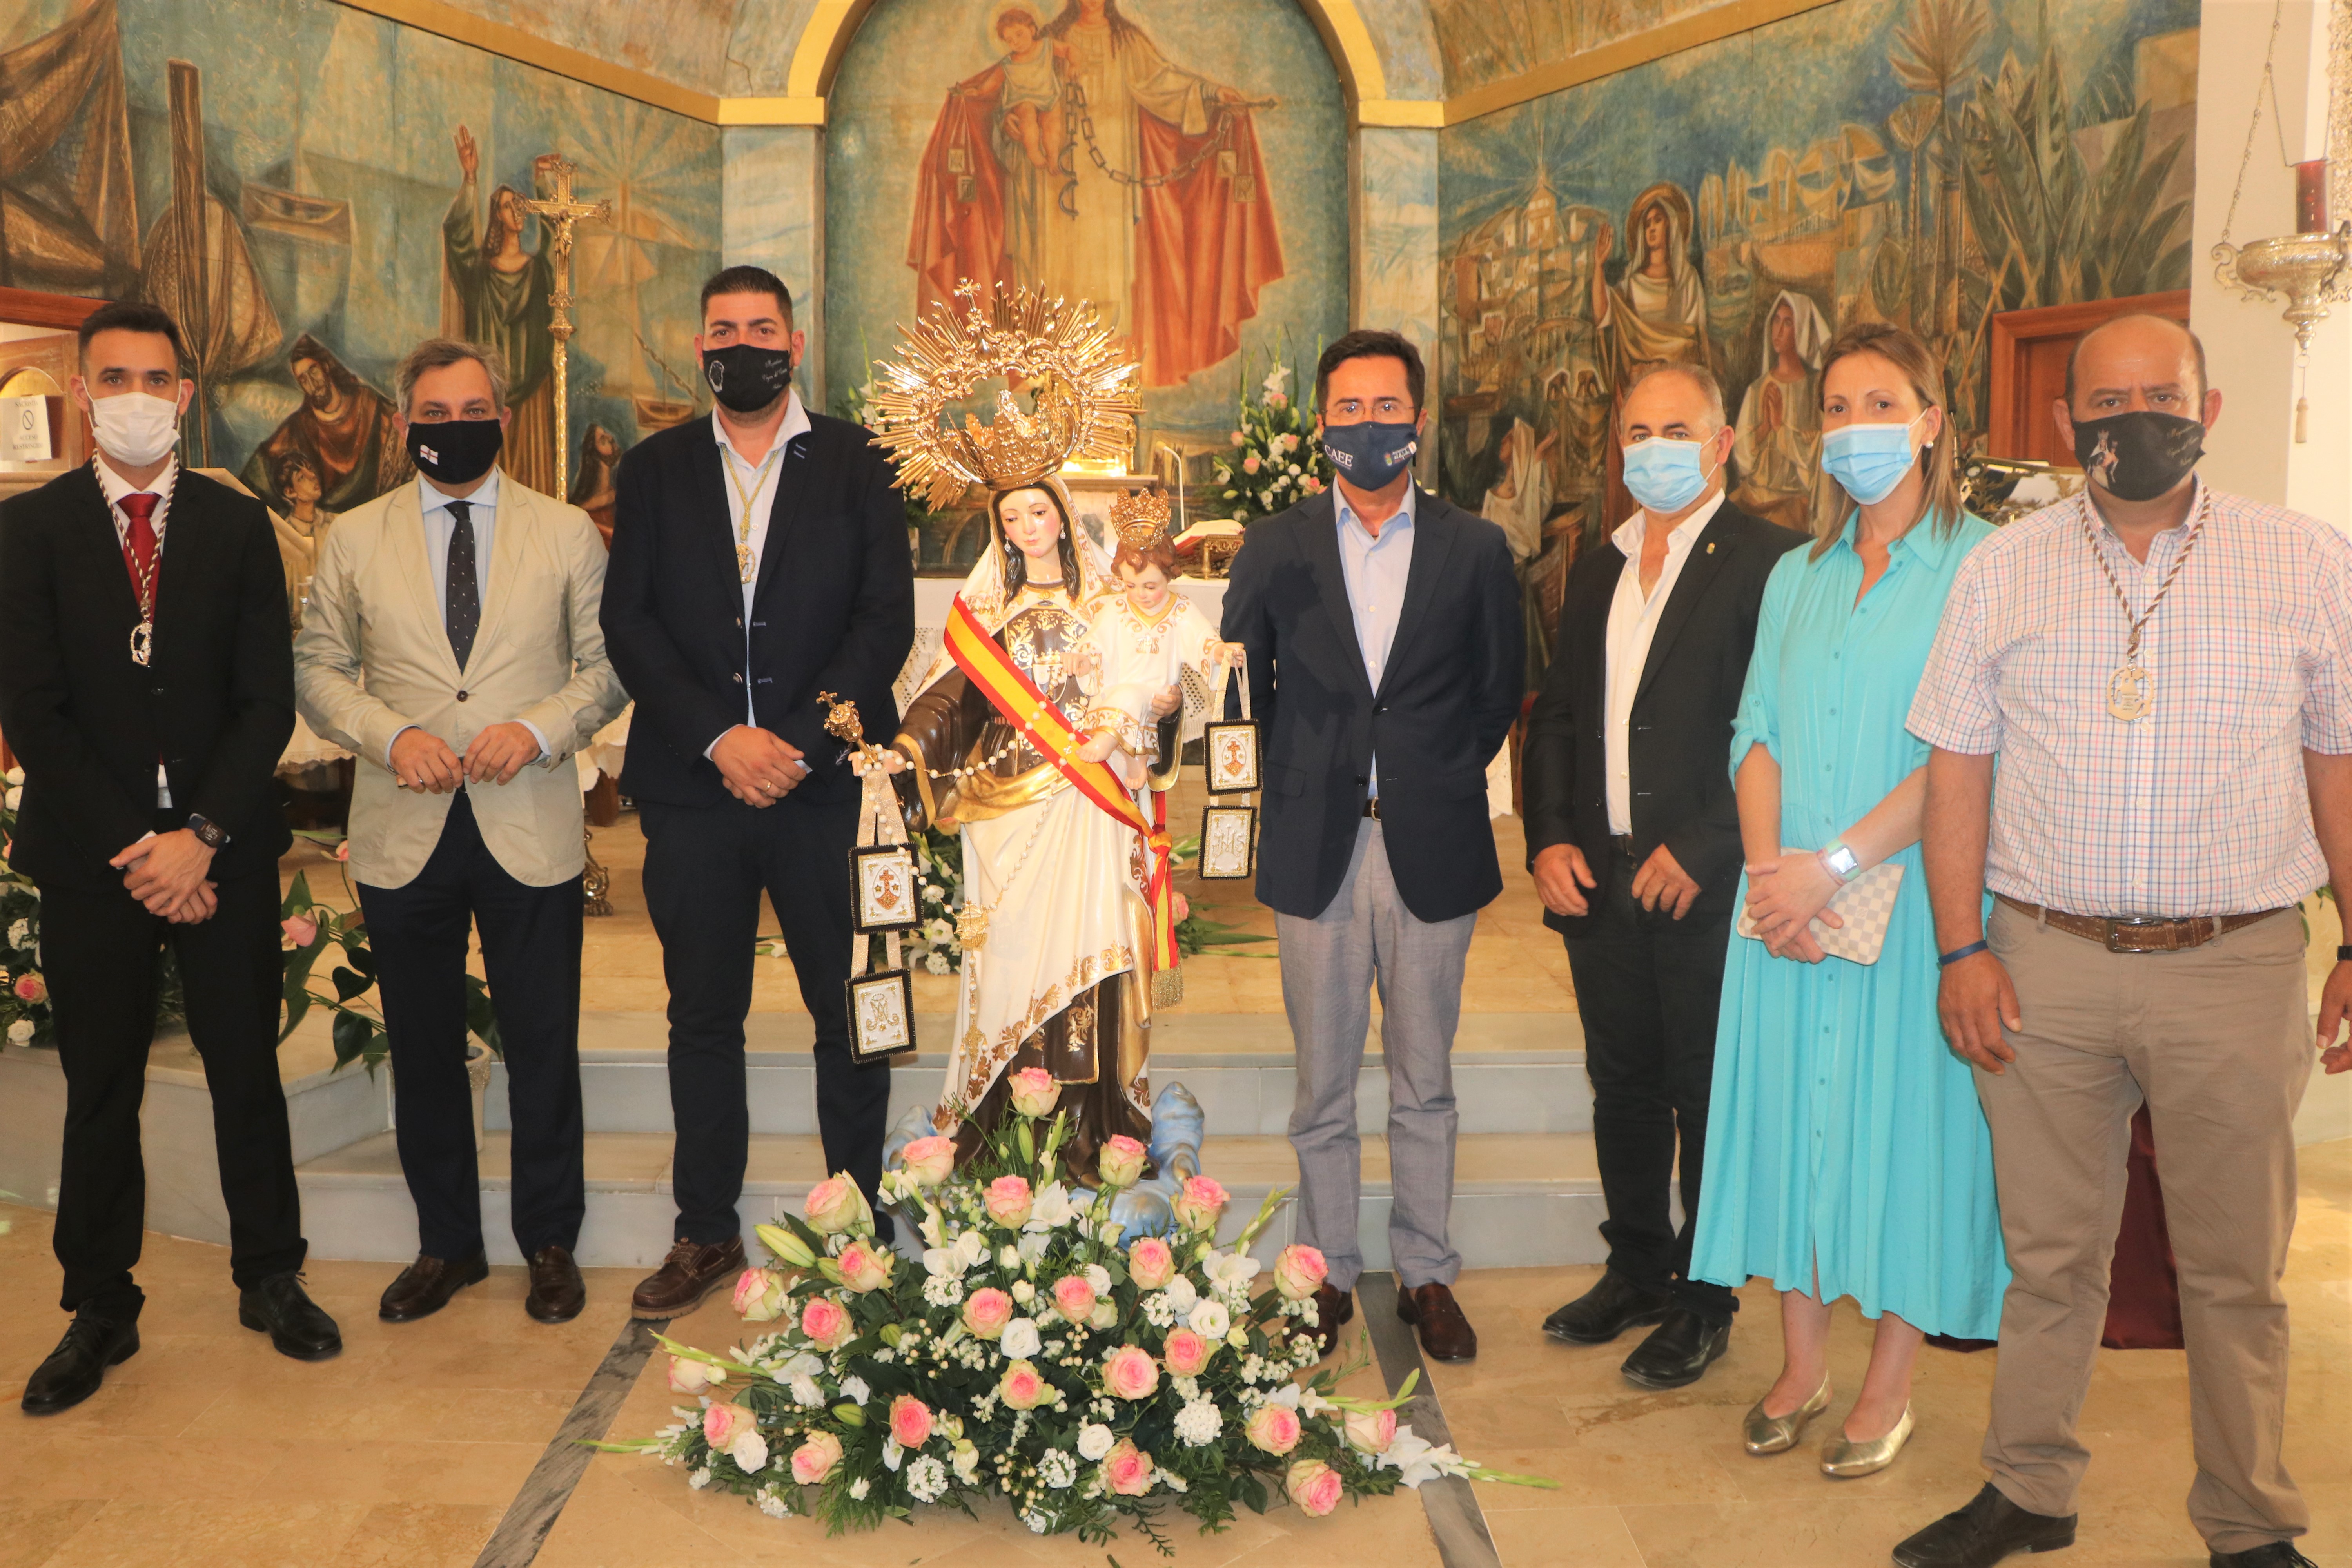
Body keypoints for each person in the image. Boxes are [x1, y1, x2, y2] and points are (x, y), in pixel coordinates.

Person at [1893, 315, 2352, 1568]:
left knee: (2238, 1273)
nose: (2134, 419)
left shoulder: (2306, 561)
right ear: (2065, 424)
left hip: (2238, 961)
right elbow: (1956, 775)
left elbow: (2339, 764)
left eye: (2162, 395)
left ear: (2209, 410)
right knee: (2049, 1260)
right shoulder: (2002, 569)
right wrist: (1958, 950)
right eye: (2108, 401)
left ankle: (2251, 1524)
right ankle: (2031, 1492)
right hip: (2047, 962)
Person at [0, 300, 341, 1414]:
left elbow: (265, 699)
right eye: (115, 378)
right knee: (102, 1086)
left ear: (185, 397)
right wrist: (135, 848)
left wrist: (197, 838)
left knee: (247, 1071)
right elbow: (34, 713)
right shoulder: (30, 531)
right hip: (95, 858)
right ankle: (100, 1305)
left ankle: (270, 1275)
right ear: (83, 392)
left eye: (158, 379)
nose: (137, 397)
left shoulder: (236, 528)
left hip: (222, 851)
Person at [1687, 322, 2005, 1479]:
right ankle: (1801, 1364)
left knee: (1901, 1134)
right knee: (1793, 1128)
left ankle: (1889, 1384)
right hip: (1782, 906)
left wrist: (1834, 869)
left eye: (1882, 402)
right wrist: (1777, 877)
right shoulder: (1797, 576)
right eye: (1835, 406)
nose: (1854, 426)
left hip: (1916, 900)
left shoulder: (1982, 565)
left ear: (1931, 420)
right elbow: (1753, 729)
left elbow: (1963, 756)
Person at [601, 265, 914, 1319]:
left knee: (848, 1015)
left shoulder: (861, 463)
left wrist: (792, 746)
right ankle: (705, 1232)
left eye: (762, 328)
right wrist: (721, 742)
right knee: (703, 1018)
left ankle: (858, 1229)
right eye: (724, 330)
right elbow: (629, 623)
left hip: (822, 788)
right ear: (701, 348)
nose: (744, 344)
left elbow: (883, 624)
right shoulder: (655, 470)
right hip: (696, 791)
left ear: (796, 341)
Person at [294, 338, 625, 1327]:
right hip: (405, 827)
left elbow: (608, 667)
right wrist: (391, 735)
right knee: (426, 1046)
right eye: (432, 414)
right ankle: (447, 1243)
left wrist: (536, 728)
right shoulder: (353, 537)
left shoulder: (567, 532)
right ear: (404, 425)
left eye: (471, 408)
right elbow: (317, 669)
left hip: (528, 819)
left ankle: (550, 1239)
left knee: (541, 1041)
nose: (453, 426)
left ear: (502, 418)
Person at [1221, 328, 1522, 1363]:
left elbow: (1495, 698)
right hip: (1317, 847)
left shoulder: (1475, 549)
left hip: (1431, 843)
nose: (1367, 427)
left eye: (1385, 408)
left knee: (1424, 1077)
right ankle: (1325, 1274)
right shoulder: (1275, 546)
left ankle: (1429, 1271)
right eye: (1346, 410)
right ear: (1321, 424)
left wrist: (1427, 776)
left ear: (1419, 420)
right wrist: (1313, 782)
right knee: (1323, 1083)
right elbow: (1243, 692)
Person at [1520, 361, 1801, 1390]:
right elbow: (1556, 713)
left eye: (1675, 430)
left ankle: (1704, 1296)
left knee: (1702, 1092)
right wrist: (1550, 837)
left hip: (1704, 883)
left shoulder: (1775, 563)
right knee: (1623, 1084)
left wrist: (1709, 842)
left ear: (1722, 444)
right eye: (1636, 431)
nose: (1653, 450)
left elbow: (1785, 726)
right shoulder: (1598, 565)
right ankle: (1637, 1264)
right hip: (1601, 879)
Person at [886, 479, 1161, 1169]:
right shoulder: (988, 611)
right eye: (1011, 517)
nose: (1027, 527)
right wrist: (908, 748)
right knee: (1010, 966)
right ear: (999, 529)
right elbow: (951, 701)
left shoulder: (1107, 606)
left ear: (1065, 519)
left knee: (1087, 952)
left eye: (1039, 512)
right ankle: (1006, 1124)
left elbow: (1150, 686)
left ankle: (1085, 1126)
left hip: (1088, 807)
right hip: (1008, 811)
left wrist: (1149, 711)